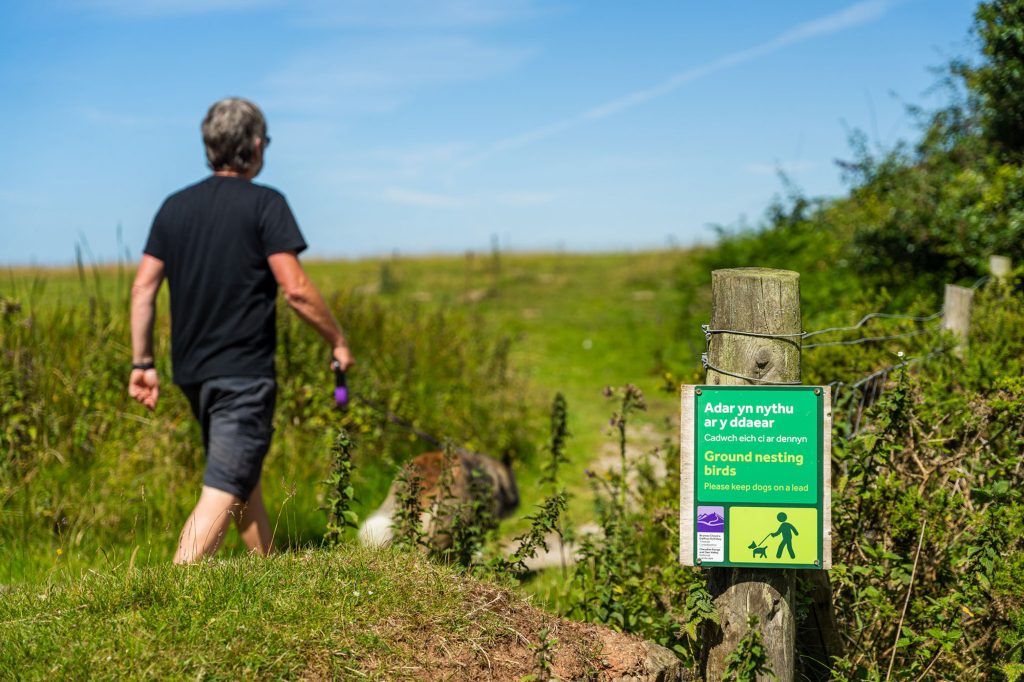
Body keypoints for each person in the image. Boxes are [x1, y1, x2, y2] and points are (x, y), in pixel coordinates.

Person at [128, 97, 354, 564]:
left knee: (240, 476)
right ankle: (172, 593)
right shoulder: (266, 204)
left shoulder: (173, 208)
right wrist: (337, 339)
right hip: (243, 377)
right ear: (254, 146)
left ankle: (267, 570)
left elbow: (143, 289)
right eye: (265, 142)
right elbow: (295, 289)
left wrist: (142, 363)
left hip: (192, 374)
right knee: (226, 485)